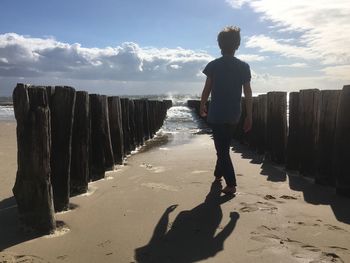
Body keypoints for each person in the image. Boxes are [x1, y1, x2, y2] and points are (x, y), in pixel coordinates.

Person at [200, 26, 253, 195]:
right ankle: (218, 174)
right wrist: (249, 115)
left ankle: (231, 184)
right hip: (234, 114)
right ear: (237, 45)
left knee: (221, 149)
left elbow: (207, 88)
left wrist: (202, 104)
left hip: (217, 113)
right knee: (223, 146)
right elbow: (248, 92)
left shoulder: (213, 65)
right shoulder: (243, 66)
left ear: (219, 45)